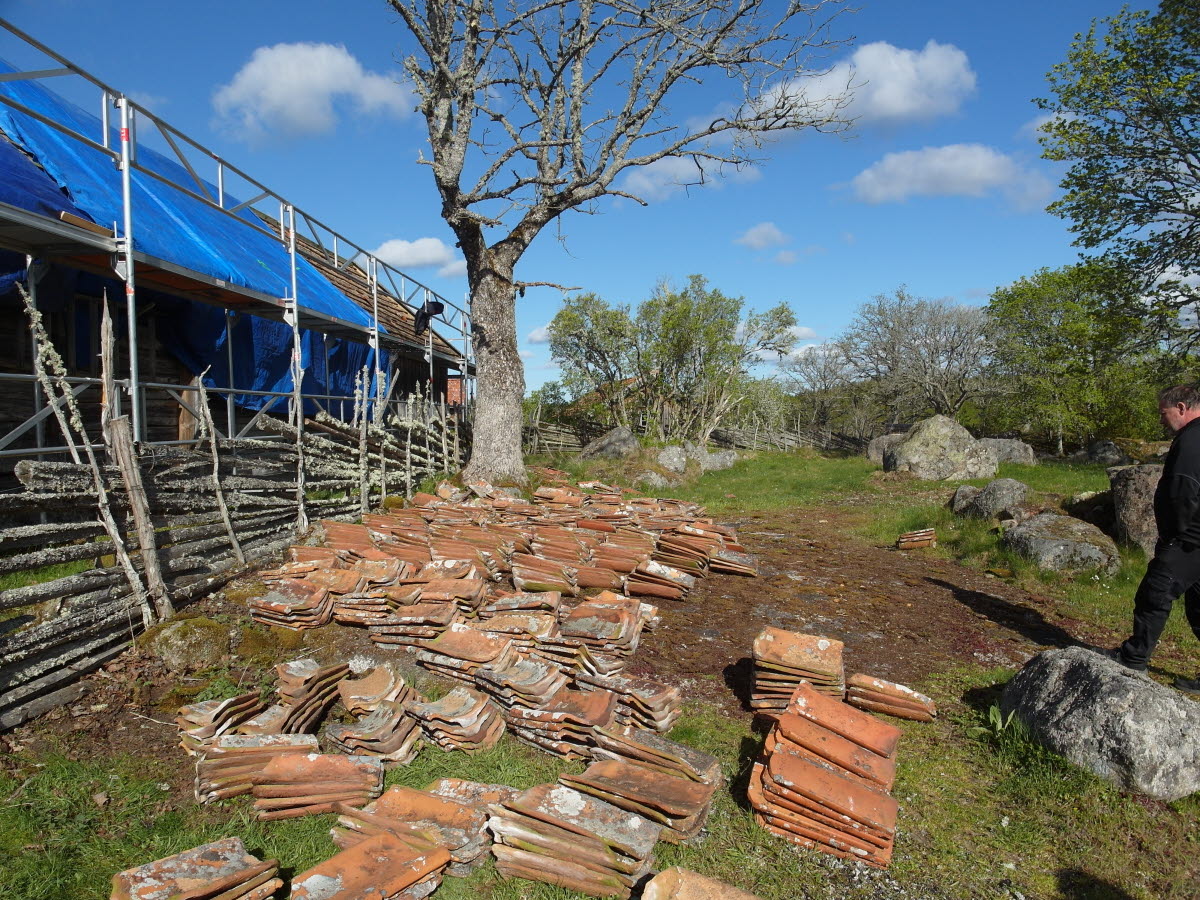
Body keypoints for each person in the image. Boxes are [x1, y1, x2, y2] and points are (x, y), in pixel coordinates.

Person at [1110, 383, 1200, 690]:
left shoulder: (1191, 440)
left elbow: (1182, 491)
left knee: (1155, 591)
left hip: (1191, 538)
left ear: (1182, 408)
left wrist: (1173, 534)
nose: (1162, 420)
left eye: (1164, 413)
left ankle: (1133, 660)